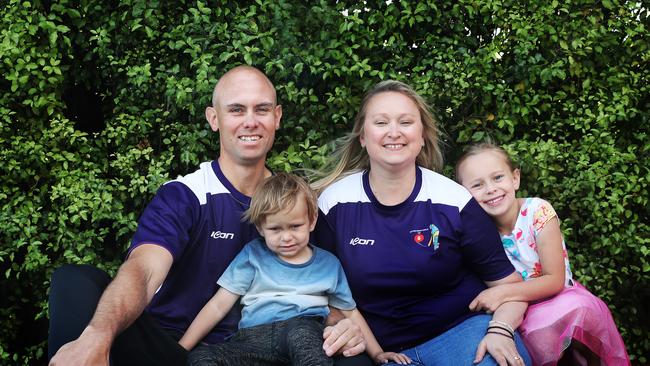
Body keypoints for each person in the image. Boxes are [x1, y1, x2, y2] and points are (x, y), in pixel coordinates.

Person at [48, 65, 370, 366]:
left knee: (352, 355)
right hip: (173, 348)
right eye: (236, 109)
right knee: (74, 280)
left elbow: (327, 283)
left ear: (277, 117)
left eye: (261, 109)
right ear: (214, 118)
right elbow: (144, 272)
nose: (250, 121)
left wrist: (344, 327)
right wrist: (97, 335)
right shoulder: (186, 195)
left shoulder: (293, 203)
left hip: (262, 349)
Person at [311, 80, 532, 366]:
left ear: (422, 135)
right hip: (379, 350)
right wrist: (340, 324)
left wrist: (500, 330)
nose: (394, 132)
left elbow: (510, 287)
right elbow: (320, 290)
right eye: (381, 122)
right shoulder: (334, 204)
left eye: (405, 122)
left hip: (461, 335)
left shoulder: (454, 201)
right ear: (363, 136)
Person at [181, 172, 411, 365]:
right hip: (252, 339)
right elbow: (219, 305)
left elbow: (350, 312)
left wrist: (377, 352)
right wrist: (183, 348)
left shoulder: (328, 264)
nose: (286, 237)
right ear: (261, 228)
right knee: (201, 357)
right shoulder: (252, 255)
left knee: (301, 335)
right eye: (276, 229)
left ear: (312, 221)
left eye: (295, 226)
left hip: (305, 333)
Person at [455, 143, 630, 366]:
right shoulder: (476, 232)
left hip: (559, 298)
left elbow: (555, 280)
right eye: (477, 185)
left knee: (578, 312)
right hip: (517, 310)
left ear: (515, 178)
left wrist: (501, 293)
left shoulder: (537, 212)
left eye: (498, 177)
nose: (490, 189)